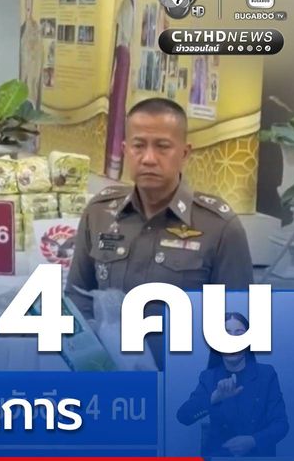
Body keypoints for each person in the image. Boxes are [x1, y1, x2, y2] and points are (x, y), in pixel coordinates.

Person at [67, 98, 253, 367]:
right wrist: (89, 359)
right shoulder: (99, 213)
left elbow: (238, 320)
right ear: (125, 150)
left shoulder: (219, 227)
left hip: (184, 377)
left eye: (162, 146)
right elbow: (78, 295)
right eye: (138, 146)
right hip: (108, 373)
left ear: (185, 153)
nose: (149, 158)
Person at [177, 312, 290, 457]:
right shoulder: (209, 377)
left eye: (239, 334)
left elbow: (281, 424)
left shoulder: (266, 374)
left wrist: (253, 441)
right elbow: (183, 416)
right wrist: (214, 398)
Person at [105, 0, 137, 179]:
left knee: (122, 113)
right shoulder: (122, 1)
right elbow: (116, 36)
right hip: (119, 60)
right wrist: (112, 73)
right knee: (114, 112)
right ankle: (111, 165)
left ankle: (119, 164)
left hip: (128, 60)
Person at [19, 0, 44, 110]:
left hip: (33, 103)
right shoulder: (20, 31)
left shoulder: (37, 32)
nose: (28, 2)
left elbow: (39, 77)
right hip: (18, 104)